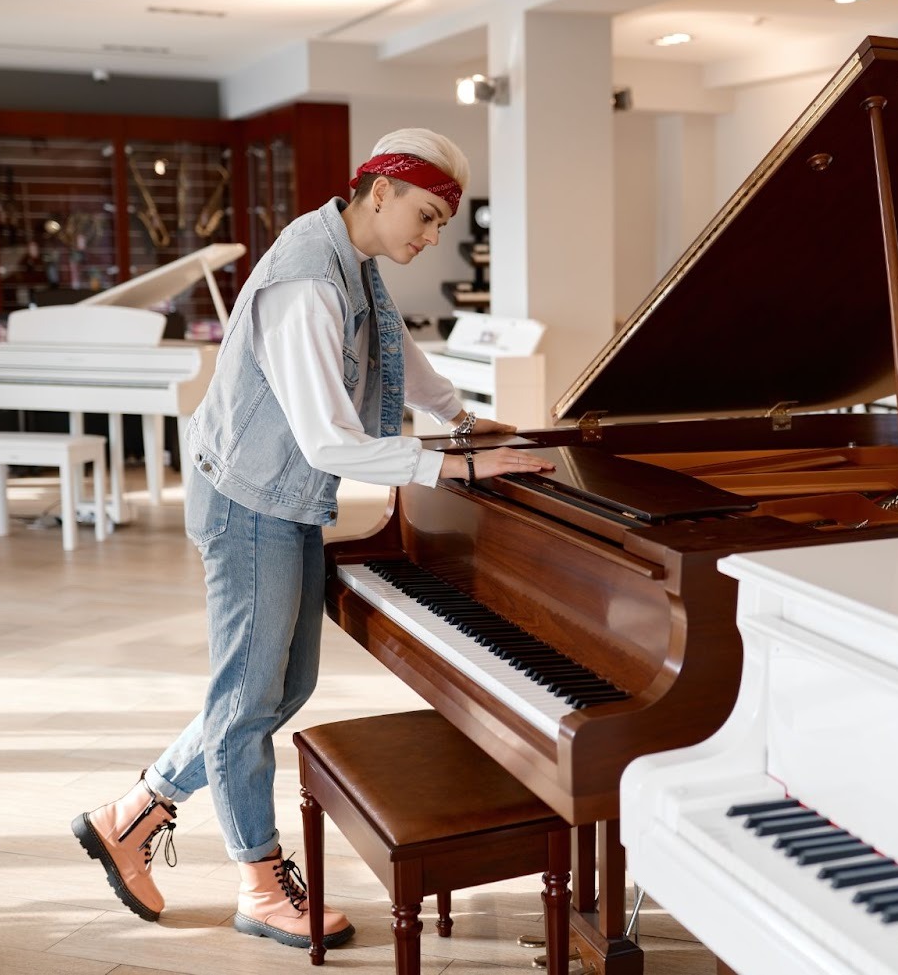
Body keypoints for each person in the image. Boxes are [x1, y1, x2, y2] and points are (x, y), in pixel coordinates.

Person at [70, 128, 555, 950]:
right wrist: (456, 470)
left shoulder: (351, 257)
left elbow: (397, 352)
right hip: (249, 502)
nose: (432, 236)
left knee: (276, 691)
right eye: (428, 215)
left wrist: (465, 420)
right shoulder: (307, 282)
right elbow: (330, 441)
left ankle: (134, 812)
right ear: (379, 191)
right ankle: (259, 881)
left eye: (443, 222)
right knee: (250, 700)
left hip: (282, 496)